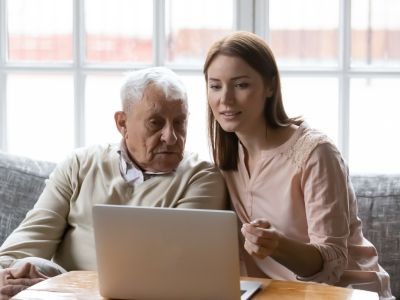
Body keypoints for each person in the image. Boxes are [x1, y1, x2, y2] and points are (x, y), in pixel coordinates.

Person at [0, 67, 227, 298]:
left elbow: (169, 274)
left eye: (179, 122)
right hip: (59, 292)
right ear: (122, 123)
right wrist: (5, 274)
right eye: (155, 123)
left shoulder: (201, 178)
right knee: (21, 270)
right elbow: (30, 238)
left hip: (138, 296)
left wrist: (68, 287)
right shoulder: (79, 165)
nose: (171, 136)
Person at [203, 31, 393, 299]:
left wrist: (277, 245)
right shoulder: (224, 160)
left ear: (270, 86)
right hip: (279, 294)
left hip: (345, 293)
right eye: (215, 86)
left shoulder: (315, 154)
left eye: (241, 85)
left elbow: (333, 264)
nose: (225, 99)